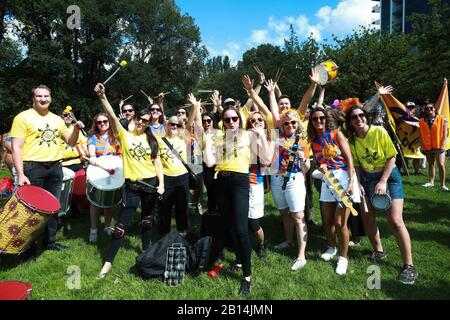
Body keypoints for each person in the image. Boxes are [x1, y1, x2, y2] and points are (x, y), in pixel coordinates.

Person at [94, 83, 164, 279]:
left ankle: (146, 251)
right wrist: (103, 97)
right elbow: (112, 116)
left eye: (146, 120)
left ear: (150, 123)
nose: (142, 122)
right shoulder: (124, 136)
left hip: (150, 185)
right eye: (139, 118)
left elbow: (157, 162)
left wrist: (161, 184)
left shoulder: (152, 140)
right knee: (121, 226)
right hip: (132, 187)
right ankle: (108, 262)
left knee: (147, 221)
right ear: (134, 118)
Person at [203, 105, 272, 295]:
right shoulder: (217, 136)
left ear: (239, 120)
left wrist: (261, 136)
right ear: (223, 122)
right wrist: (208, 141)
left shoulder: (248, 135)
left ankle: (247, 277)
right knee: (230, 226)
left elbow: (266, 160)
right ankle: (240, 260)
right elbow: (209, 162)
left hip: (240, 183)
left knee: (242, 229)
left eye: (234, 118)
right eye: (227, 119)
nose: (231, 122)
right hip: (221, 183)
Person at [346, 105, 418, 284]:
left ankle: (409, 266)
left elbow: (392, 157)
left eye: (361, 115)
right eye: (354, 117)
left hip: (389, 177)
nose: (359, 119)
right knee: (367, 217)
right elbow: (356, 165)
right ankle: (379, 251)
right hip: (368, 179)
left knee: (395, 220)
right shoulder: (352, 141)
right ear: (350, 122)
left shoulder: (379, 131)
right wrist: (358, 183)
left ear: (366, 116)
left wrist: (383, 181)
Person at [10, 84, 84, 251]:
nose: (43, 99)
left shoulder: (57, 120)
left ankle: (49, 243)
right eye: (39, 96)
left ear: (50, 98)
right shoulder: (23, 117)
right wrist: (20, 174)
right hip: (32, 168)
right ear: (33, 98)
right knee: (31, 209)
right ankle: (28, 246)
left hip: (54, 168)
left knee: (53, 207)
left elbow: (71, 142)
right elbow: (17, 148)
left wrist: (77, 128)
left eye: (46, 96)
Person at [307, 107, 360, 275]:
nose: (319, 121)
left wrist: (351, 182)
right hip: (327, 180)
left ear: (326, 118)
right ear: (312, 122)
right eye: (315, 119)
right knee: (327, 219)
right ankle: (332, 247)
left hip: (344, 178)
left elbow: (349, 159)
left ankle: (343, 258)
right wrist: (320, 168)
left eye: (321, 118)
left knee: (340, 222)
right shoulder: (314, 141)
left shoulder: (337, 134)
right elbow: (322, 162)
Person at [270, 111, 310, 271]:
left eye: (293, 122)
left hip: (294, 178)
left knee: (298, 217)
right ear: (282, 125)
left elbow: (306, 169)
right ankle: (289, 241)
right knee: (284, 212)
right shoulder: (276, 139)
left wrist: (302, 157)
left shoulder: (302, 141)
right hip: (276, 179)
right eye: (286, 123)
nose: (290, 126)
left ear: (298, 124)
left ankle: (301, 256)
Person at [87, 113, 121, 242]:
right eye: (99, 122)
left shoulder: (116, 137)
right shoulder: (93, 138)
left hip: (113, 171)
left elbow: (120, 153)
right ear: (96, 124)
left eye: (105, 121)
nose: (102, 124)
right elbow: (91, 151)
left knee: (110, 201)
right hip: (98, 172)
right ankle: (93, 230)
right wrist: (92, 156)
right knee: (94, 202)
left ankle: (107, 226)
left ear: (109, 122)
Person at [157, 115, 191, 236]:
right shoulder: (160, 141)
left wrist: (194, 107)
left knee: (182, 205)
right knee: (165, 207)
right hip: (167, 177)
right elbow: (159, 163)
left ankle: (183, 231)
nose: (174, 126)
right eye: (171, 124)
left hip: (182, 176)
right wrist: (161, 183)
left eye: (177, 125)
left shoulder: (184, 138)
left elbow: (189, 122)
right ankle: (164, 233)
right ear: (166, 125)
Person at [245, 111, 271, 259]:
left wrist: (260, 135)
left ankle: (261, 244)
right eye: (252, 120)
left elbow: (266, 161)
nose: (256, 122)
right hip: (240, 184)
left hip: (255, 183)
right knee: (241, 220)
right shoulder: (244, 137)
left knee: (254, 223)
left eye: (260, 119)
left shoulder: (268, 140)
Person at [419, 103, 448, 191]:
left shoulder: (442, 118)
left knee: (441, 164)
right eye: (427, 109)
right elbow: (421, 134)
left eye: (431, 108)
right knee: (431, 164)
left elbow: (445, 133)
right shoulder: (422, 121)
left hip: (439, 146)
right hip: (428, 146)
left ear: (435, 109)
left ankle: (442, 185)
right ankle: (431, 182)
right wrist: (422, 145)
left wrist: (443, 144)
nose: (429, 110)